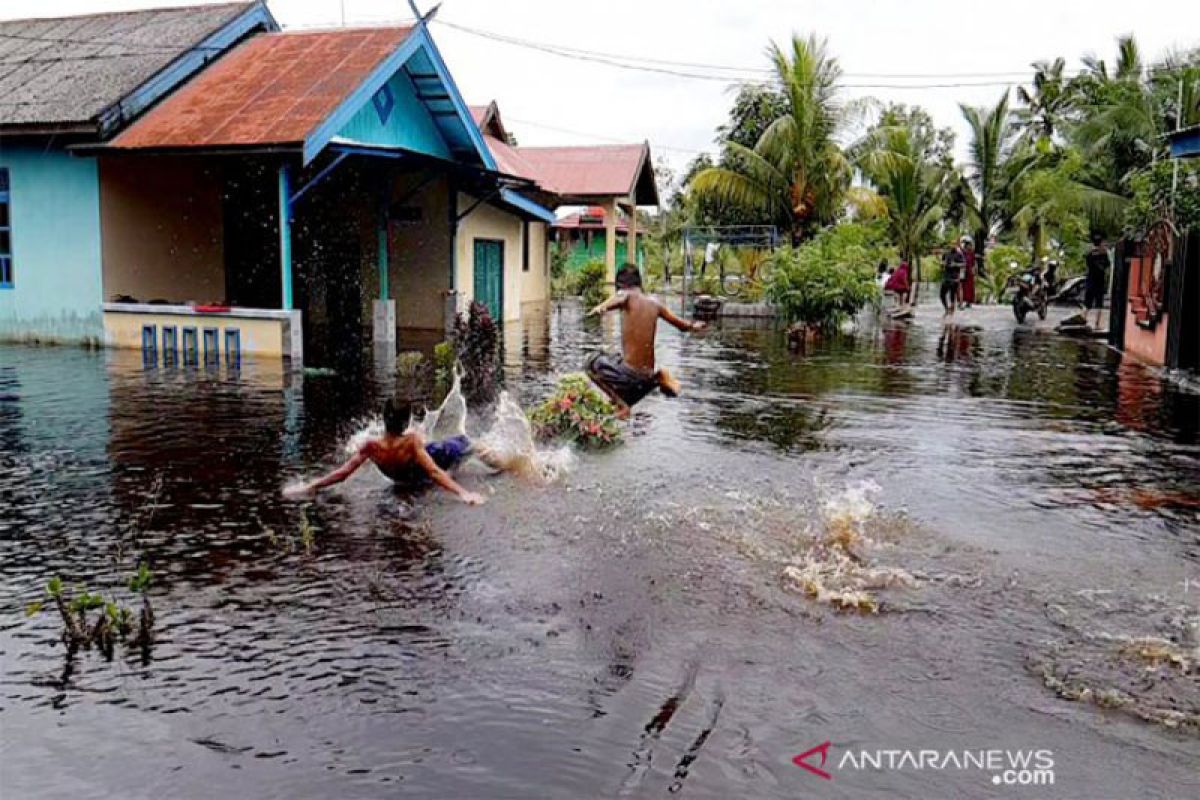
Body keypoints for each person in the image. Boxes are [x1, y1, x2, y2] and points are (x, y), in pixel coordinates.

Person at [285, 397, 489, 505]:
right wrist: (464, 493)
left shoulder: (371, 447)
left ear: (384, 418)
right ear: (407, 422)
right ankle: (485, 446)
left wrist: (311, 486)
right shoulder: (410, 442)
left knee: (468, 445)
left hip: (430, 456)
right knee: (464, 445)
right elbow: (434, 472)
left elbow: (342, 473)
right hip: (435, 455)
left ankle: (483, 446)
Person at [586, 264, 707, 418]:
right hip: (646, 378)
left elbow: (620, 297)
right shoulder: (656, 304)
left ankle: (621, 406)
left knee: (591, 362)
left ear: (621, 285)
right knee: (616, 358)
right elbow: (683, 326)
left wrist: (601, 307)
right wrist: (694, 325)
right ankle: (657, 378)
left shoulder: (626, 295)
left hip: (630, 376)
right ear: (639, 283)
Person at [1084, 233, 1110, 329]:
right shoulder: (1104, 253)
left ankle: (1083, 320)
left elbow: (1087, 264)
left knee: (1087, 303)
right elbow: (1107, 265)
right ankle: (1097, 324)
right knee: (1099, 303)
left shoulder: (1089, 253)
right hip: (1100, 281)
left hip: (1090, 280)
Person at [940, 240, 966, 317]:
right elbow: (942, 263)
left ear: (957, 245)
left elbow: (964, 264)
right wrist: (942, 264)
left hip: (954, 277)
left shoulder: (959, 254)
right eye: (951, 244)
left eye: (954, 244)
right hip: (946, 276)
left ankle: (952, 312)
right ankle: (946, 309)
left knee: (952, 295)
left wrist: (955, 264)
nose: (953, 245)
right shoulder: (946, 254)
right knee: (942, 294)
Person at [960, 236, 977, 308]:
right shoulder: (962, 253)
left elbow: (974, 263)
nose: (970, 246)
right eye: (969, 245)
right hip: (963, 271)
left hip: (970, 272)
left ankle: (968, 302)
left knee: (969, 287)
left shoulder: (971, 253)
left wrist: (974, 271)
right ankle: (960, 301)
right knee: (962, 287)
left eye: (971, 245)